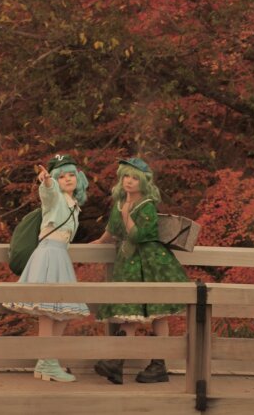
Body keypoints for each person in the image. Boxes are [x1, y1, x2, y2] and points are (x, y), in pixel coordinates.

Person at [90, 156, 189, 385]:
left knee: (158, 312)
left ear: (144, 182)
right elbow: (114, 229)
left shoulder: (147, 205)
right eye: (126, 176)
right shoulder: (120, 202)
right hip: (129, 263)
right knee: (129, 310)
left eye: (135, 178)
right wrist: (101, 239)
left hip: (151, 262)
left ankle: (158, 363)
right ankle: (117, 362)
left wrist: (127, 216)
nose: (129, 181)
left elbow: (138, 235)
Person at [3, 152, 89, 383]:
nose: (68, 179)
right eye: (63, 177)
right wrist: (47, 180)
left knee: (62, 312)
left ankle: (46, 361)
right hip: (49, 254)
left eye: (71, 175)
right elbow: (48, 193)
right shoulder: (56, 198)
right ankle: (48, 362)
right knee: (49, 312)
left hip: (60, 256)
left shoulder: (74, 205)